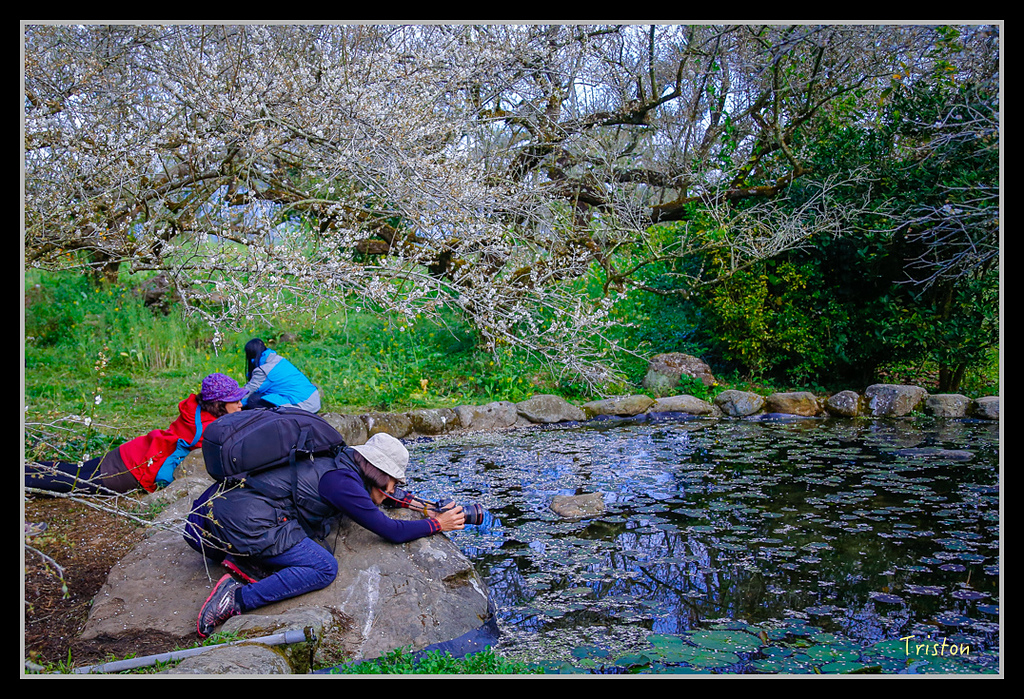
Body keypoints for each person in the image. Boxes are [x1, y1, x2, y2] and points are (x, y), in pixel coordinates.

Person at [189, 433, 466, 638]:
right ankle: (235, 598)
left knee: (308, 545)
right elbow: (390, 531)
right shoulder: (343, 483)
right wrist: (437, 525)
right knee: (323, 567)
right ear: (379, 474)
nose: (394, 488)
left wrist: (424, 507)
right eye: (394, 481)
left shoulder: (339, 462)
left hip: (221, 514)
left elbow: (377, 498)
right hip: (243, 520)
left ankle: (248, 561)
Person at [25, 373, 247, 495]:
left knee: (75, 470)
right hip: (130, 470)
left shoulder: (196, 411)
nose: (240, 404)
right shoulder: (210, 429)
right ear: (218, 403)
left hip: (131, 451)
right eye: (234, 400)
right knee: (70, 481)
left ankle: (28, 470)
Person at [241, 338, 321, 413]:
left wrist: (234, 403)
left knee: (253, 400)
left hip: (304, 406)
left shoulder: (264, 370)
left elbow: (249, 390)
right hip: (313, 400)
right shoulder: (277, 359)